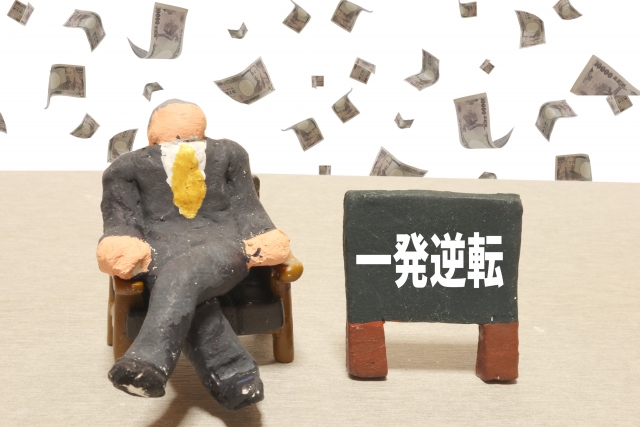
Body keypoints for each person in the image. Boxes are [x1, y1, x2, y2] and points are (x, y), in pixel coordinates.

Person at [96, 99, 290, 410]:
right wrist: (122, 242)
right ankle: (237, 379)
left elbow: (247, 206)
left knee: (183, 273)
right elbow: (120, 218)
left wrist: (261, 235)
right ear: (151, 135)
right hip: (160, 252)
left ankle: (149, 361)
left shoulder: (229, 154)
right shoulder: (126, 169)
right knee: (188, 290)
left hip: (224, 247)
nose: (181, 136)